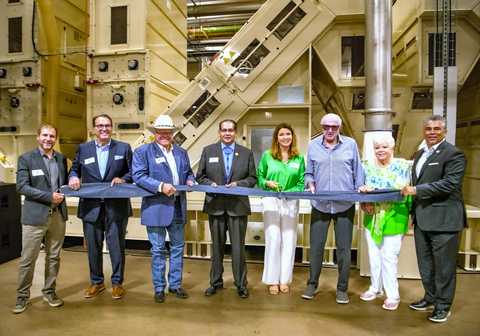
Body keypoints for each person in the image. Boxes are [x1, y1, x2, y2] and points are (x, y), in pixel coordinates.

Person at [401, 115, 467, 323]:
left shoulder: (454, 154)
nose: (432, 132)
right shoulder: (421, 154)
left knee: (444, 267)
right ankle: (430, 298)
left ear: (445, 132)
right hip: (423, 219)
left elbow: (450, 184)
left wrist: (416, 190)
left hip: (445, 220)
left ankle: (442, 306)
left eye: (437, 129)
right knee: (426, 265)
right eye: (428, 128)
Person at [68, 114, 133, 299]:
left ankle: (117, 283)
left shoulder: (123, 148)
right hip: (91, 207)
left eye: (107, 125)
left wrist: (124, 179)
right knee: (93, 247)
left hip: (116, 207)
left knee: (116, 246)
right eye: (100, 126)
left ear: (112, 128)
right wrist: (73, 177)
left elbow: (133, 172)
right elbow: (74, 169)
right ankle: (96, 282)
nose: (104, 129)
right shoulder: (83, 149)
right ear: (94, 129)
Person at [132, 115, 195, 303]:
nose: (165, 135)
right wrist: (161, 186)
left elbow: (188, 172)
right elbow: (138, 176)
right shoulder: (143, 152)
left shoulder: (181, 152)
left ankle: (175, 285)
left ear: (173, 133)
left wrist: (190, 179)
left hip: (177, 206)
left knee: (177, 248)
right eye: (161, 132)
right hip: (155, 207)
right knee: (158, 249)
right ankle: (159, 287)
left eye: (168, 132)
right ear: (154, 134)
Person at [302, 113, 364, 304]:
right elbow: (308, 172)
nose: (330, 130)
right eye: (326, 126)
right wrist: (310, 182)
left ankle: (342, 288)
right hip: (320, 205)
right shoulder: (313, 145)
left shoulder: (350, 144)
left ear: (340, 128)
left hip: (344, 205)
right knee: (316, 248)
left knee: (344, 249)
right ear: (321, 127)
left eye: (334, 127)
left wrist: (360, 192)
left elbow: (358, 171)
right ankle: (312, 284)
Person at [196, 119, 257, 298]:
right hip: (215, 206)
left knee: (238, 248)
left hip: (238, 206)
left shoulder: (246, 153)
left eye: (231, 130)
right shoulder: (208, 151)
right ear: (219, 132)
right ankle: (215, 283)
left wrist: (239, 184)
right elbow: (200, 176)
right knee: (217, 248)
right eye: (224, 130)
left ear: (236, 132)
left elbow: (252, 178)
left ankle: (240, 284)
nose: (227, 133)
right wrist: (211, 183)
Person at [13, 123, 68, 314]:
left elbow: (66, 184)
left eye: (52, 136)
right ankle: (22, 296)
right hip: (34, 217)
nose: (48, 139)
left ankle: (49, 291)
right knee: (28, 258)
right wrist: (48, 196)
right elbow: (22, 187)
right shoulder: (26, 159)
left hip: (57, 217)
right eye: (45, 135)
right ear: (38, 137)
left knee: (53, 257)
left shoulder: (61, 159)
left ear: (56, 139)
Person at [358, 135, 410, 311]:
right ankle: (376, 288)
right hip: (372, 217)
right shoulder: (368, 167)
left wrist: (374, 191)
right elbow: (362, 189)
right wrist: (364, 201)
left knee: (389, 258)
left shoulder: (401, 164)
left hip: (394, 216)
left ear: (393, 148)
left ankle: (393, 295)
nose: (380, 150)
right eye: (377, 147)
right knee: (374, 257)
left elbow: (399, 188)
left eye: (385, 147)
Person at [257, 123, 305, 295]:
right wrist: (266, 183)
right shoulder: (267, 156)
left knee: (289, 240)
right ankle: (272, 280)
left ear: (292, 137)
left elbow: (301, 183)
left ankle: (284, 279)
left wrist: (287, 193)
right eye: (281, 134)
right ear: (276, 138)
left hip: (290, 202)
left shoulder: (299, 157)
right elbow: (259, 177)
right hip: (270, 200)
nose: (285, 137)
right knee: (273, 239)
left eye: (288, 134)